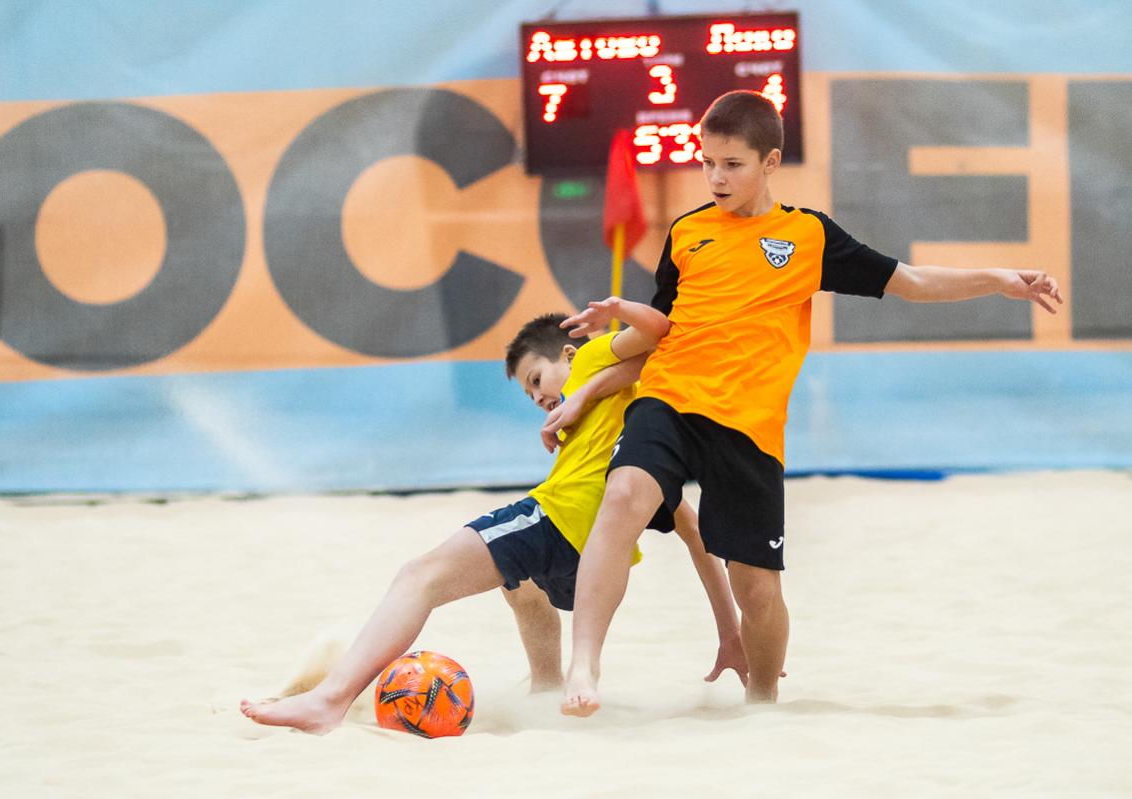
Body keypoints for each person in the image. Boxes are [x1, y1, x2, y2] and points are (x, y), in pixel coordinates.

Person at [558, 90, 1064, 717]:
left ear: (770, 162)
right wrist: (591, 379)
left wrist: (999, 279)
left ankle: (763, 702)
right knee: (624, 496)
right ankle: (584, 663)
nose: (716, 177)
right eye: (707, 162)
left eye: (732, 164)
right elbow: (658, 332)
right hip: (670, 397)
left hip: (749, 426)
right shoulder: (686, 232)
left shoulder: (809, 235)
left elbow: (910, 281)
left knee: (757, 591)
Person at [241, 303, 750, 734]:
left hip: (555, 522)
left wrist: (612, 318)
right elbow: (693, 531)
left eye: (537, 379)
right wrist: (730, 634)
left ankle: (329, 700)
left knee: (418, 576)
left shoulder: (594, 357)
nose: (538, 397)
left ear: (570, 354)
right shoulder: (636, 436)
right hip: (595, 570)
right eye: (529, 394)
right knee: (521, 587)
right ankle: (546, 689)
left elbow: (661, 334)